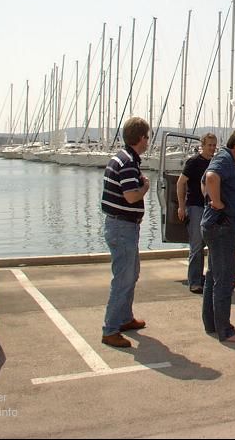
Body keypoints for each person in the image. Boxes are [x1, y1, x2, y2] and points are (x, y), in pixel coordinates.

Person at [200, 128, 235, 343]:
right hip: (221, 228)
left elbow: (206, 181)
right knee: (225, 280)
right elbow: (210, 178)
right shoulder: (224, 158)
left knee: (214, 276)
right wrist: (217, 202)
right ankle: (226, 330)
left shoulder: (227, 160)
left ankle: (212, 323)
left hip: (216, 226)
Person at [101, 117, 151, 348]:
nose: (148, 141)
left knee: (131, 273)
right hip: (122, 227)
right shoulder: (128, 162)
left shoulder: (121, 158)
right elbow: (131, 196)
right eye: (148, 137)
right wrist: (145, 188)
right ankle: (110, 329)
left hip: (120, 226)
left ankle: (124, 318)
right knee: (123, 278)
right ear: (141, 138)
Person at [176, 132, 218, 293]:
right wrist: (181, 206)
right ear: (202, 145)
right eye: (210, 145)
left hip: (211, 207)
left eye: (214, 145)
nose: (212, 148)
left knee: (213, 245)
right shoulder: (193, 162)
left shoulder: (216, 162)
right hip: (195, 207)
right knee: (196, 246)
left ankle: (208, 278)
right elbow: (180, 183)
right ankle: (194, 280)